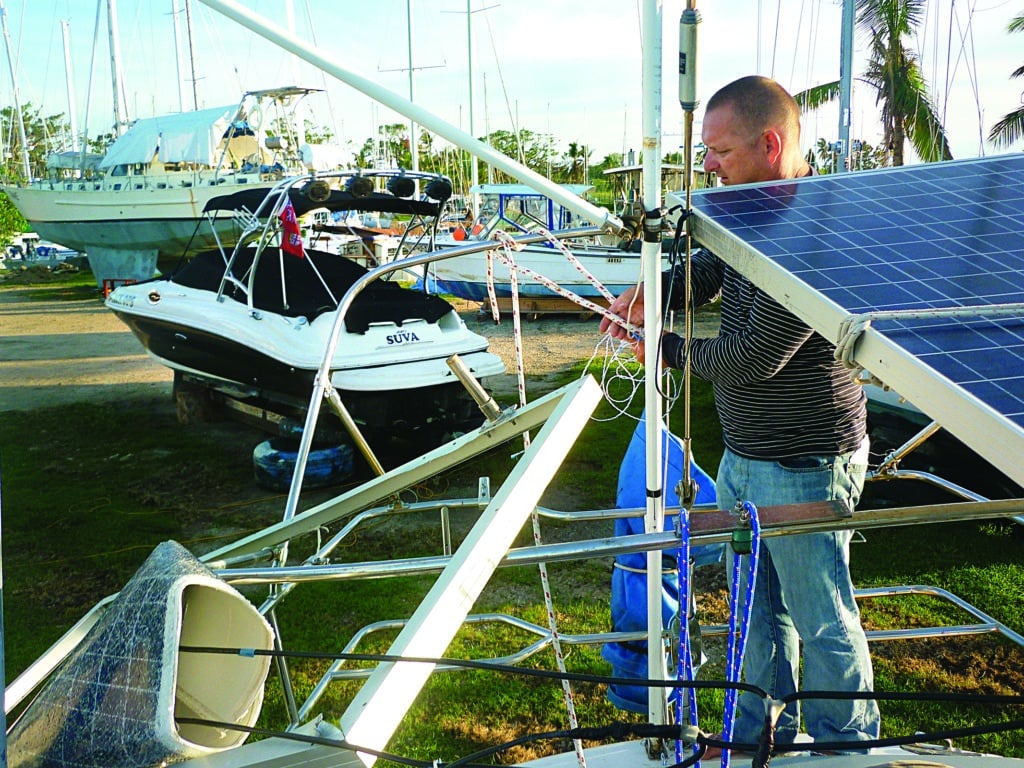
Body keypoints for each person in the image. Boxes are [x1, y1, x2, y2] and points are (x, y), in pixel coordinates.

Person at [598, 75, 880, 751]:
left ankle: (850, 749)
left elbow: (751, 356)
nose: (707, 167)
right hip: (745, 457)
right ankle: (758, 741)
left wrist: (661, 346)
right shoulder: (751, 211)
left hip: (806, 463)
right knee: (754, 616)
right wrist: (656, 291)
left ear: (771, 142)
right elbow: (715, 270)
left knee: (821, 618)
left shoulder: (817, 234)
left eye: (718, 152)